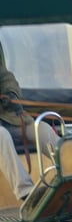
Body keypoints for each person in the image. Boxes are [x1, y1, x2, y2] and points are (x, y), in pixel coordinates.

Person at [0, 64, 59, 201]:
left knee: (42, 129)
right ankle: (27, 193)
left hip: (9, 118)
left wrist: (11, 94)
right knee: (1, 135)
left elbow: (6, 78)